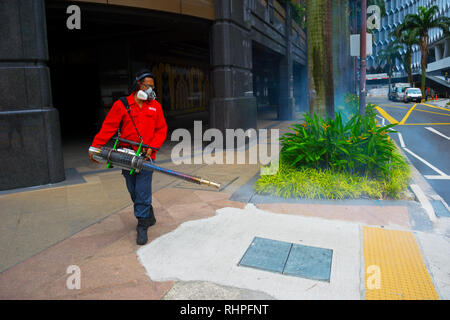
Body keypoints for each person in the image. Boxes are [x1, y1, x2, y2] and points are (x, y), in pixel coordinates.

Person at [89, 69, 167, 245]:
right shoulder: (122, 105)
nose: (150, 90)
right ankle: (148, 213)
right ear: (138, 84)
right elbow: (108, 127)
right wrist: (95, 147)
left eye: (152, 87)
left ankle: (142, 225)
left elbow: (161, 129)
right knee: (133, 190)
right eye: (148, 86)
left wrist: (151, 148)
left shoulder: (155, 106)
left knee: (142, 190)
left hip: (146, 157)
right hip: (126, 156)